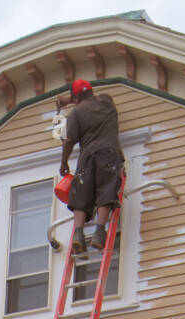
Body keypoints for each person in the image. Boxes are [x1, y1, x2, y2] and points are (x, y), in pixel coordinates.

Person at [57, 80, 124, 257]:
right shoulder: (106, 101)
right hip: (109, 154)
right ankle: (100, 232)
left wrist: (64, 163)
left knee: (81, 195)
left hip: (87, 159)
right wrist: (72, 100)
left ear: (76, 97)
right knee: (106, 192)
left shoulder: (76, 114)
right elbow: (87, 99)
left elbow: (69, 141)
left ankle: (78, 234)